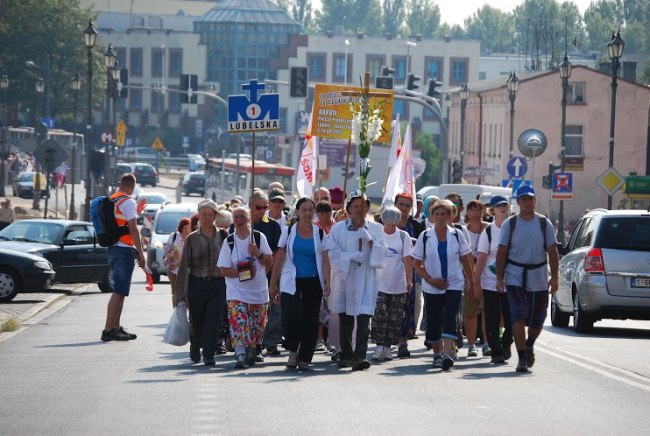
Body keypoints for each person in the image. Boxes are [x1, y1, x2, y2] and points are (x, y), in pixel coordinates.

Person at [496, 185, 559, 373]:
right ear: (518, 202)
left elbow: (553, 251)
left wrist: (554, 277)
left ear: (535, 201)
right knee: (519, 317)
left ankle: (530, 344)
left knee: (538, 320)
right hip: (515, 275)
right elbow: (502, 251)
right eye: (524, 199)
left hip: (538, 276)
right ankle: (522, 357)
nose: (527, 203)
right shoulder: (510, 223)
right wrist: (500, 277)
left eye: (530, 199)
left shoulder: (543, 223)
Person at [327, 189, 386, 371]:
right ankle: (346, 354)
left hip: (366, 278)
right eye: (355, 206)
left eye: (363, 206)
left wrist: (370, 243)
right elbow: (332, 252)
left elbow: (383, 252)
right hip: (346, 278)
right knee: (345, 317)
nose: (359, 210)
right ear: (349, 209)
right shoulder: (338, 228)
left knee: (363, 317)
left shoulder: (376, 228)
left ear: (368, 208)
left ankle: (360, 356)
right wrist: (351, 256)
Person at [412, 200, 474, 371]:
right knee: (433, 319)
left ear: (450, 216)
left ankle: (447, 354)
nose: (440, 218)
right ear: (431, 216)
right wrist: (430, 279)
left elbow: (467, 260)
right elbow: (416, 263)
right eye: (436, 214)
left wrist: (471, 282)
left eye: (444, 214)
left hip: (454, 284)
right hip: (432, 285)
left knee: (450, 316)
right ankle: (437, 354)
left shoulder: (457, 235)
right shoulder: (425, 236)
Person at [269, 197, 330, 369]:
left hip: (312, 280)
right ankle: (292, 351)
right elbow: (280, 257)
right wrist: (273, 284)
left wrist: (327, 281)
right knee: (292, 316)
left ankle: (305, 357)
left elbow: (325, 259)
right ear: (297, 211)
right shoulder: (288, 231)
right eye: (304, 210)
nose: (307, 213)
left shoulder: (319, 233)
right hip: (291, 280)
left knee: (310, 319)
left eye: (311, 210)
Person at [218, 206, 273, 368]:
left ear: (248, 219)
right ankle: (240, 353)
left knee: (257, 326)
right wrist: (243, 272)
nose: (239, 220)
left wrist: (257, 253)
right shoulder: (229, 241)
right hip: (237, 291)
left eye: (242, 216)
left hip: (258, 291)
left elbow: (269, 263)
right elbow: (223, 270)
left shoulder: (258, 237)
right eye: (236, 217)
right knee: (239, 323)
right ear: (232, 221)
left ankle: (253, 349)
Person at [174, 200, 227, 366]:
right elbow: (183, 267)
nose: (207, 218)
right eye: (204, 215)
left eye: (210, 215)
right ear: (199, 217)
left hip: (218, 285)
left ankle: (209, 354)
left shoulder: (224, 236)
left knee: (213, 319)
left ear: (215, 216)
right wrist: (179, 295)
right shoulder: (192, 238)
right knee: (197, 321)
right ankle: (195, 346)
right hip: (197, 284)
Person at [101, 173, 146, 342]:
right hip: (123, 250)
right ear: (132, 187)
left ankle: (115, 327)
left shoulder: (113, 199)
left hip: (113, 248)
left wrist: (137, 211)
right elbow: (133, 229)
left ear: (120, 184)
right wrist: (141, 253)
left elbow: (121, 223)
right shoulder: (128, 202)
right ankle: (108, 328)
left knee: (120, 291)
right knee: (119, 291)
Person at [474, 195, 513, 364]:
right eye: (499, 206)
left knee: (513, 317)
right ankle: (496, 350)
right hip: (490, 281)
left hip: (512, 282)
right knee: (492, 317)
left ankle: (506, 343)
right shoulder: (488, 232)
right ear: (493, 210)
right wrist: (476, 283)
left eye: (505, 205)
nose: (502, 208)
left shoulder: (515, 228)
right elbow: (482, 258)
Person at [371, 207, 413, 361]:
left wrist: (409, 279)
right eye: (387, 224)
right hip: (379, 283)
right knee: (379, 316)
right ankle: (379, 347)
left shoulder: (403, 236)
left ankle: (388, 348)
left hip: (397, 283)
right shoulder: (376, 234)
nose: (390, 228)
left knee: (394, 317)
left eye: (393, 225)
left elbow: (407, 259)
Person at [247, 190, 283, 357]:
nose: (262, 211)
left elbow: (276, 252)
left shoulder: (273, 225)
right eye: (258, 207)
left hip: (269, 272)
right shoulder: (244, 225)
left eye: (264, 207)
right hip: (247, 275)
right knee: (250, 310)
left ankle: (271, 341)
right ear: (250, 206)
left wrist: (271, 270)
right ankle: (250, 343)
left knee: (274, 308)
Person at [392, 192, 425, 357]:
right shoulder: (386, 223)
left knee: (407, 306)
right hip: (388, 272)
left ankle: (403, 341)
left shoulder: (417, 226)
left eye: (407, 205)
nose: (403, 208)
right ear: (395, 204)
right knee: (391, 306)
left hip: (408, 272)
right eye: (401, 204)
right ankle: (387, 340)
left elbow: (421, 250)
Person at [463, 199, 489, 358]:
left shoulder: (489, 229)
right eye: (472, 209)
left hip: (487, 277)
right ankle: (471, 345)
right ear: (467, 212)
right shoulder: (463, 231)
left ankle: (487, 343)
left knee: (487, 311)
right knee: (470, 312)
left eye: (478, 209)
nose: (475, 212)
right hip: (468, 278)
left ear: (483, 212)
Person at [164, 217, 191, 306]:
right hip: (173, 269)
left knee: (186, 291)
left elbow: (188, 256)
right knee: (175, 290)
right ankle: (177, 311)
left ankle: (186, 311)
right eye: (184, 228)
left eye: (188, 228)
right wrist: (170, 254)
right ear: (181, 227)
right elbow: (166, 252)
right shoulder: (174, 236)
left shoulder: (191, 237)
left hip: (185, 268)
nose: (186, 230)